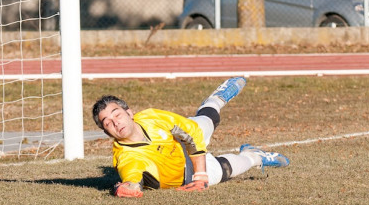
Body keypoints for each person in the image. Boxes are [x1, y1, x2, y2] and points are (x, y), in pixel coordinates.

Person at [91, 77, 290, 198]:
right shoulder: (127, 158)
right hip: (186, 175)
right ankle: (254, 155)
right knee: (230, 168)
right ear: (107, 132)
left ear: (129, 112)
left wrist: (201, 174)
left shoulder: (151, 116)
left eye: (116, 114)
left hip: (183, 141)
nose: (115, 122)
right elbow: (132, 178)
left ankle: (216, 99)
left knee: (205, 122)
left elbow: (191, 133)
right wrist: (127, 188)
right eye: (108, 122)